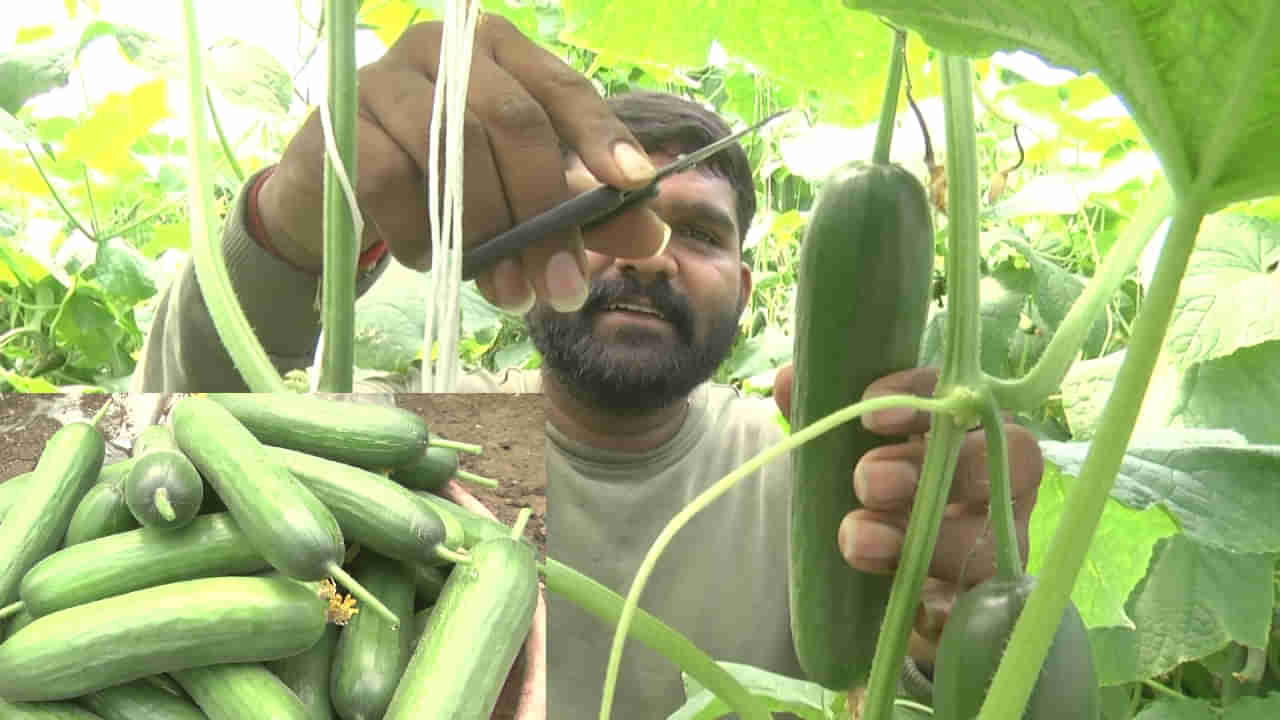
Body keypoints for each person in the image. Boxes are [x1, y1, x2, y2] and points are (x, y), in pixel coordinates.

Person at [133, 15, 1043, 719]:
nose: (648, 255)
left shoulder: (824, 470)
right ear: (531, 249)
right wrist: (292, 224)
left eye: (699, 233)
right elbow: (194, 423)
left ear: (753, 284)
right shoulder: (428, 448)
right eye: (608, 217)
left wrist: (943, 629)